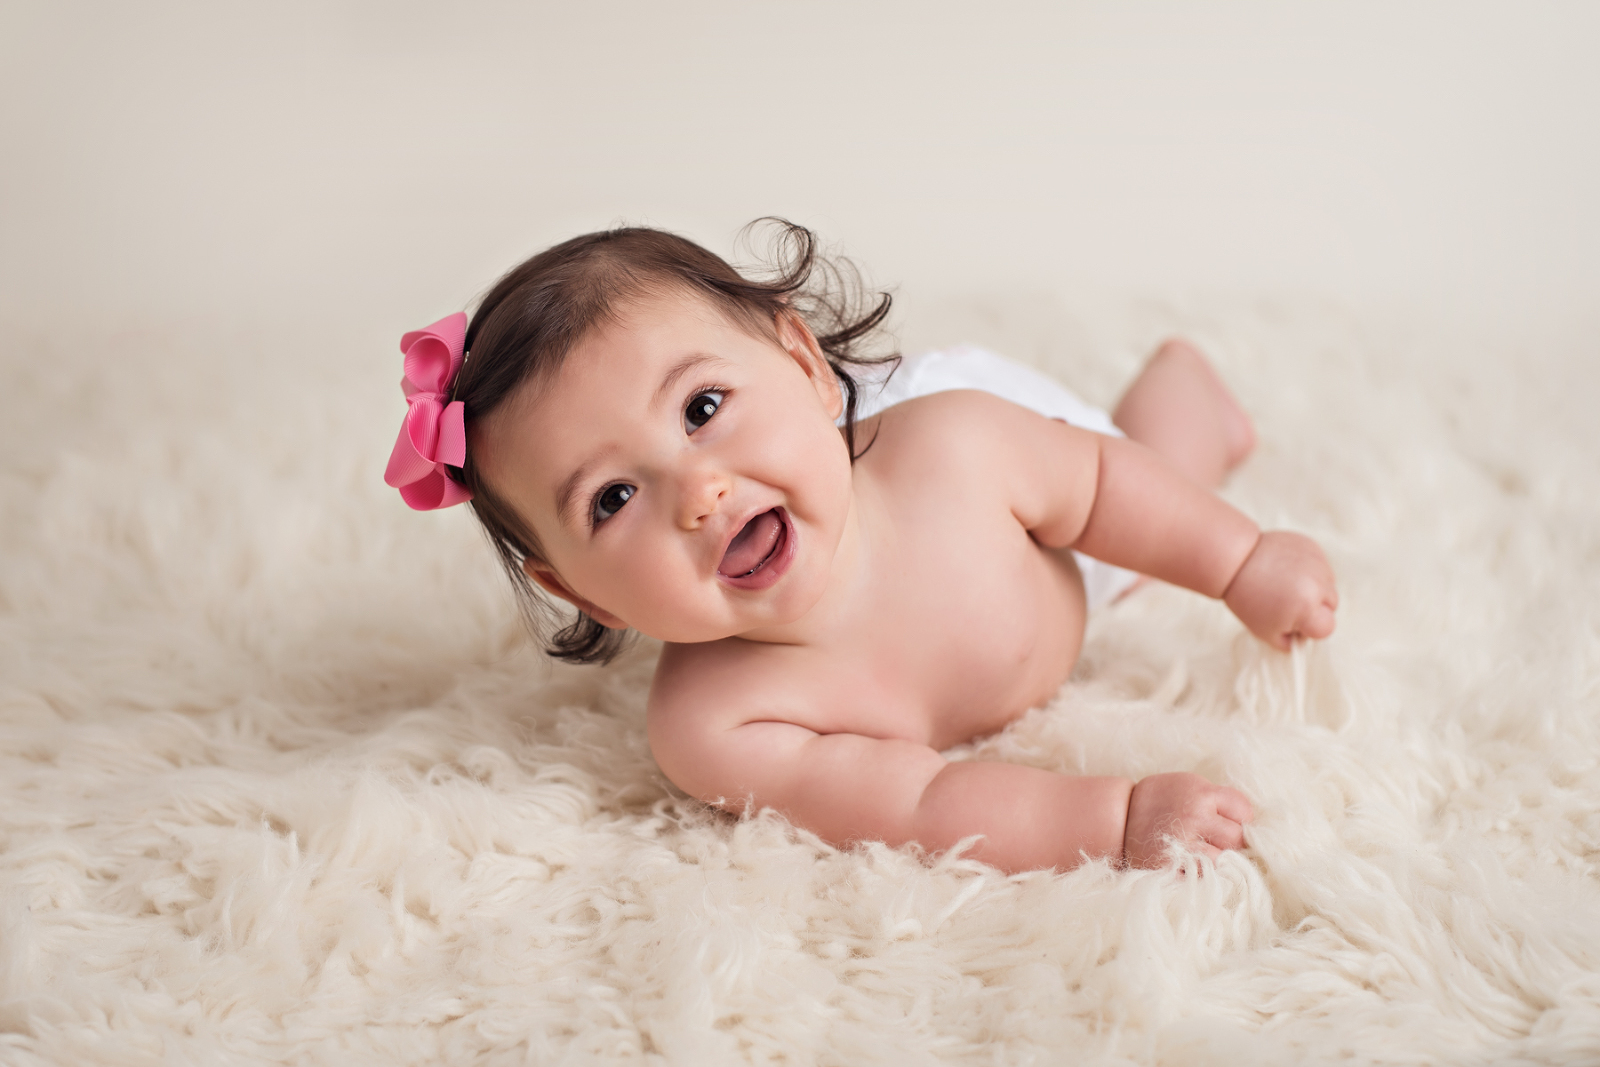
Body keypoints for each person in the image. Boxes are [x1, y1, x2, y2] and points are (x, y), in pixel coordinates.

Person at [384, 221, 1338, 873]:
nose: (700, 492)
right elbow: (921, 805)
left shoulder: (959, 447)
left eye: (703, 408)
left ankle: (1187, 383)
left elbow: (1101, 487)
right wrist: (1113, 819)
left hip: (1033, 517)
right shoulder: (716, 722)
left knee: (1151, 476)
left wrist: (1243, 562)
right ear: (585, 594)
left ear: (804, 367)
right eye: (614, 496)